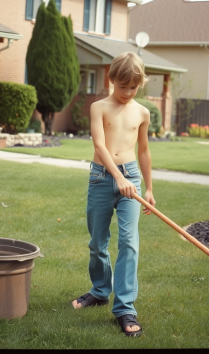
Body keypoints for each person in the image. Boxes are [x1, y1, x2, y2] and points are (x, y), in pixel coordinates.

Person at [72, 52, 156, 337]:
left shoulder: (143, 112)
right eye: (123, 86)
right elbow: (99, 145)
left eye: (133, 87)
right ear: (112, 80)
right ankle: (99, 291)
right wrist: (117, 177)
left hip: (131, 177)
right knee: (98, 242)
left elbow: (143, 151)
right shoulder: (99, 107)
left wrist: (149, 187)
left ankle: (125, 308)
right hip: (101, 177)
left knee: (129, 242)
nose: (128, 92)